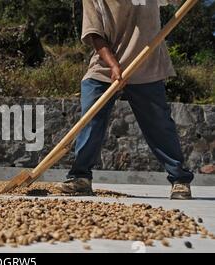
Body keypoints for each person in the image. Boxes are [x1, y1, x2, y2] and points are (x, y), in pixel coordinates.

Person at [55, 0, 194, 200]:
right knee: (91, 119)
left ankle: (180, 179)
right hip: (105, 67)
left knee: (159, 124)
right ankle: (80, 178)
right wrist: (113, 65)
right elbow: (95, 33)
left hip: (147, 66)